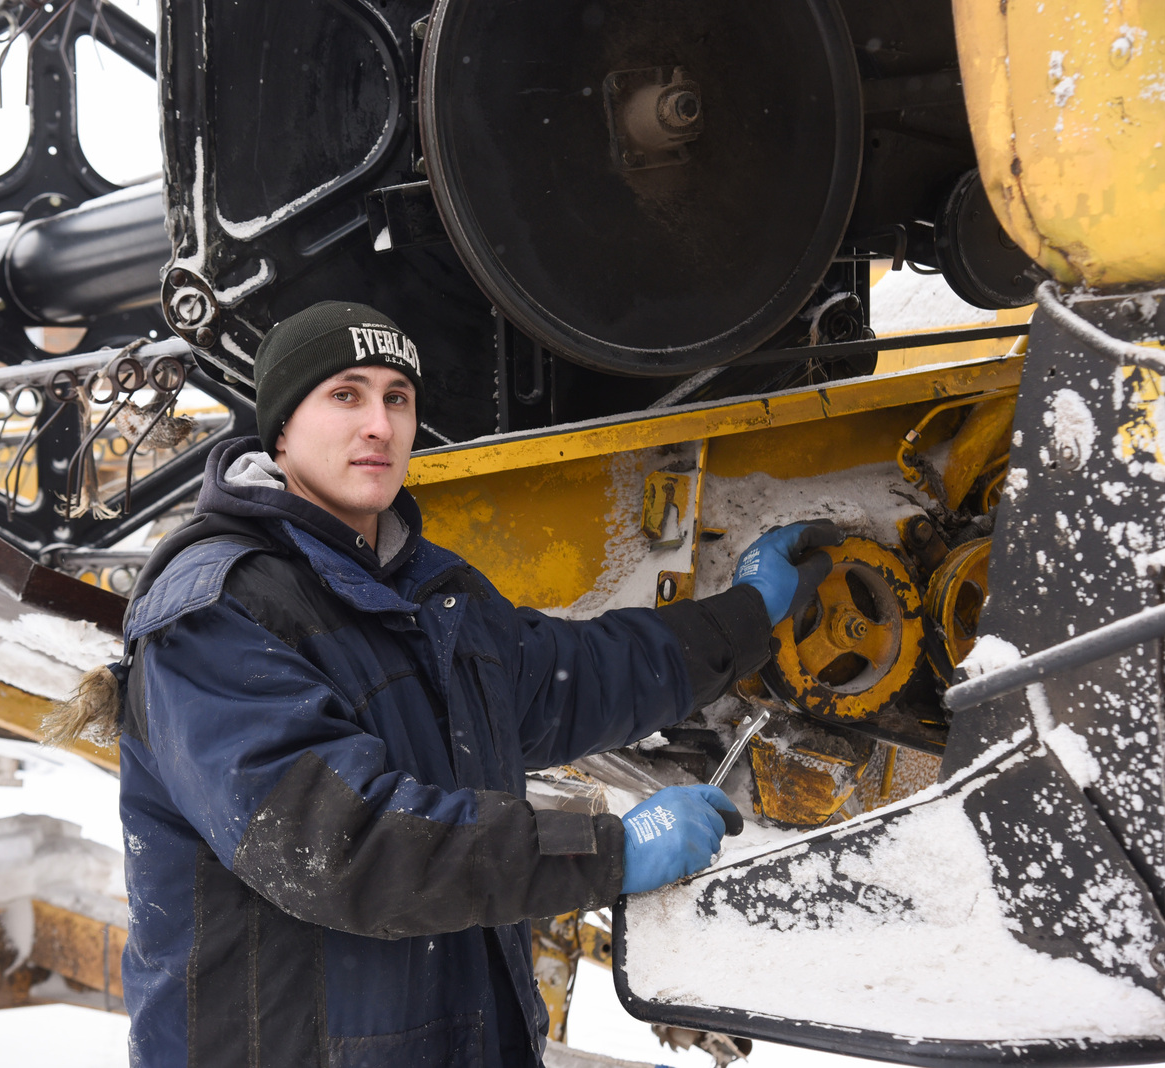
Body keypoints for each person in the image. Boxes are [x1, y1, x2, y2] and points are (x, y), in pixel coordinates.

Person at [80, 301, 841, 1067]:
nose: (378, 424)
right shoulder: (217, 611)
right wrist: (608, 851)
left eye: (397, 398)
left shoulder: (431, 592)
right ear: (281, 430)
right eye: (345, 394)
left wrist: (749, 614)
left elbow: (574, 680)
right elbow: (344, 847)